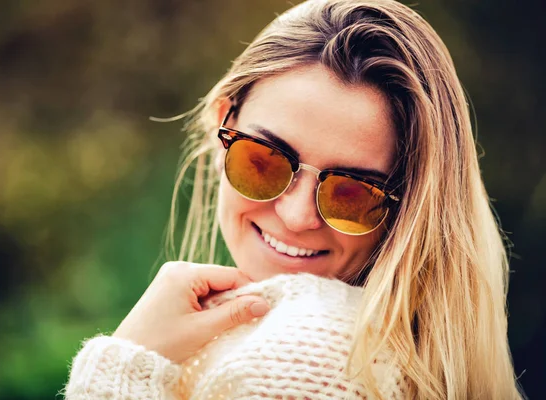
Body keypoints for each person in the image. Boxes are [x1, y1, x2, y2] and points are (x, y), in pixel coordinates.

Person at [64, 0, 524, 398]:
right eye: (263, 160)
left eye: (352, 192)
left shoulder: (305, 359)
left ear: (413, 207)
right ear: (224, 122)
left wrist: (123, 367)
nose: (296, 214)